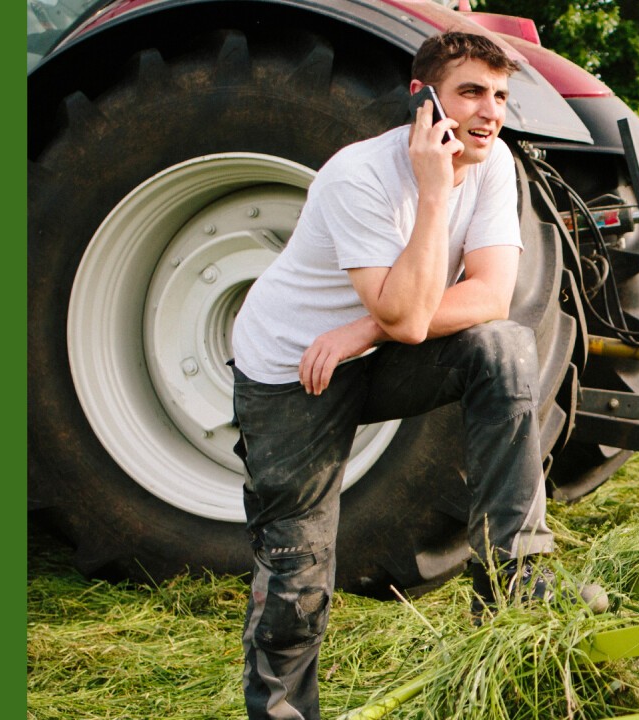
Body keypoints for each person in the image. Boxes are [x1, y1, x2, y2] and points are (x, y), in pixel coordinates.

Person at [229, 31, 554, 720]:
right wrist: (435, 196)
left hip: (370, 353)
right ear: (424, 98)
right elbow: (409, 317)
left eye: (499, 96)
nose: (489, 112)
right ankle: (282, 710)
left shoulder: (496, 165)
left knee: (504, 347)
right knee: (300, 567)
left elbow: (491, 298)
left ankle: (512, 600)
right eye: (470, 92)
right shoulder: (360, 175)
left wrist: (362, 329)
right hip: (296, 370)